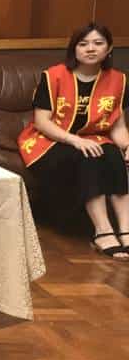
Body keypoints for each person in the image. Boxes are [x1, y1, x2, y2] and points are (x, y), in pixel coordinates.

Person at [18, 22, 129, 260]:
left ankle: (126, 230)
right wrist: (75, 141)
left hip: (93, 138)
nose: (91, 49)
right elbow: (42, 122)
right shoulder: (53, 76)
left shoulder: (118, 80)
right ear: (74, 49)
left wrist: (127, 146)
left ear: (109, 48)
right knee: (89, 155)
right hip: (49, 141)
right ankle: (102, 231)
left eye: (98, 43)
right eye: (83, 44)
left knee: (113, 154)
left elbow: (117, 125)